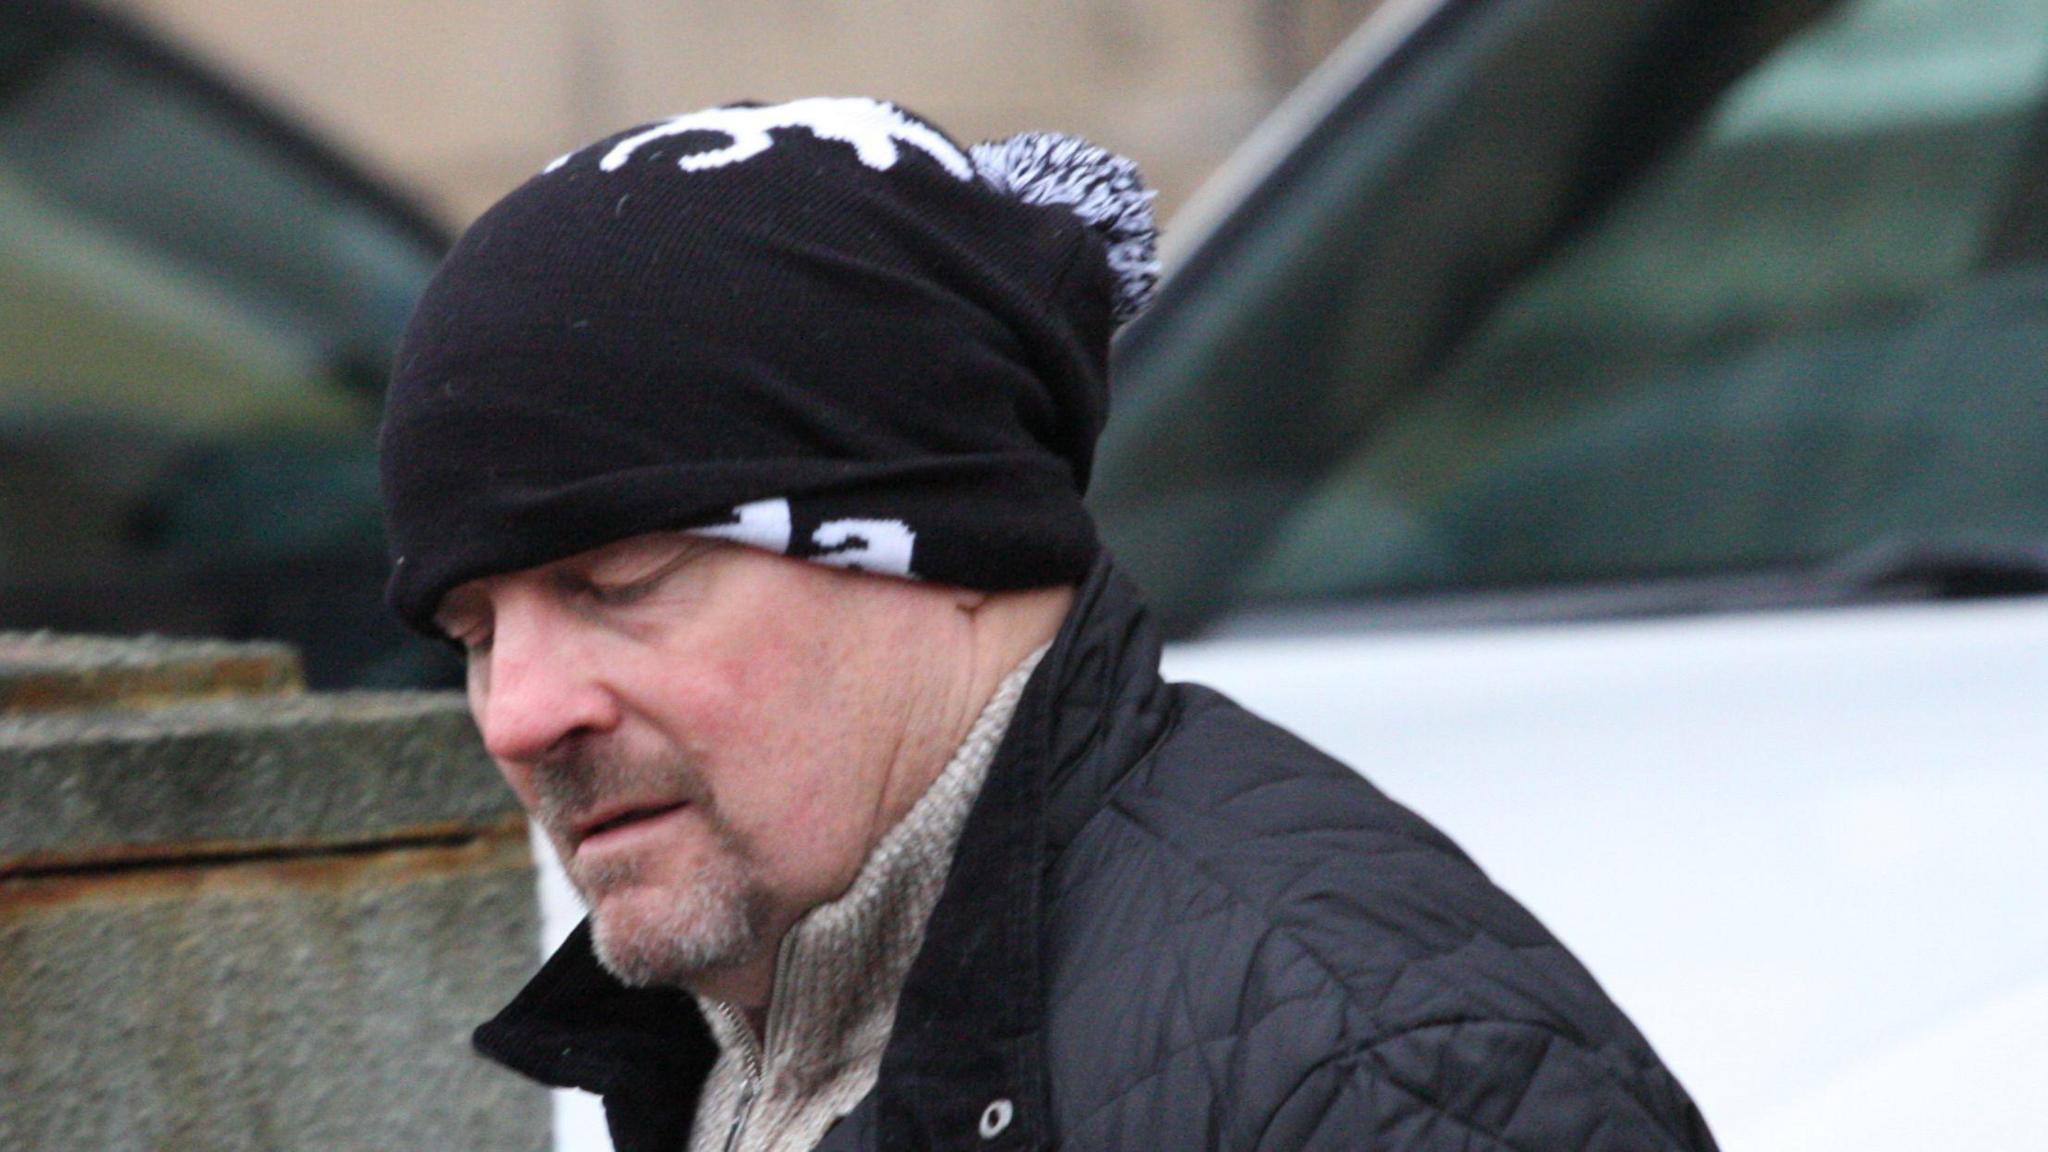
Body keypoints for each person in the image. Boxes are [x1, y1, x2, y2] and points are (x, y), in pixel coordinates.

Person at [378, 96, 1717, 1152]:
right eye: (474, 628)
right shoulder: (739, 1035)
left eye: (619, 583)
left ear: (938, 541)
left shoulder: (1378, 1084)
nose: (519, 712)